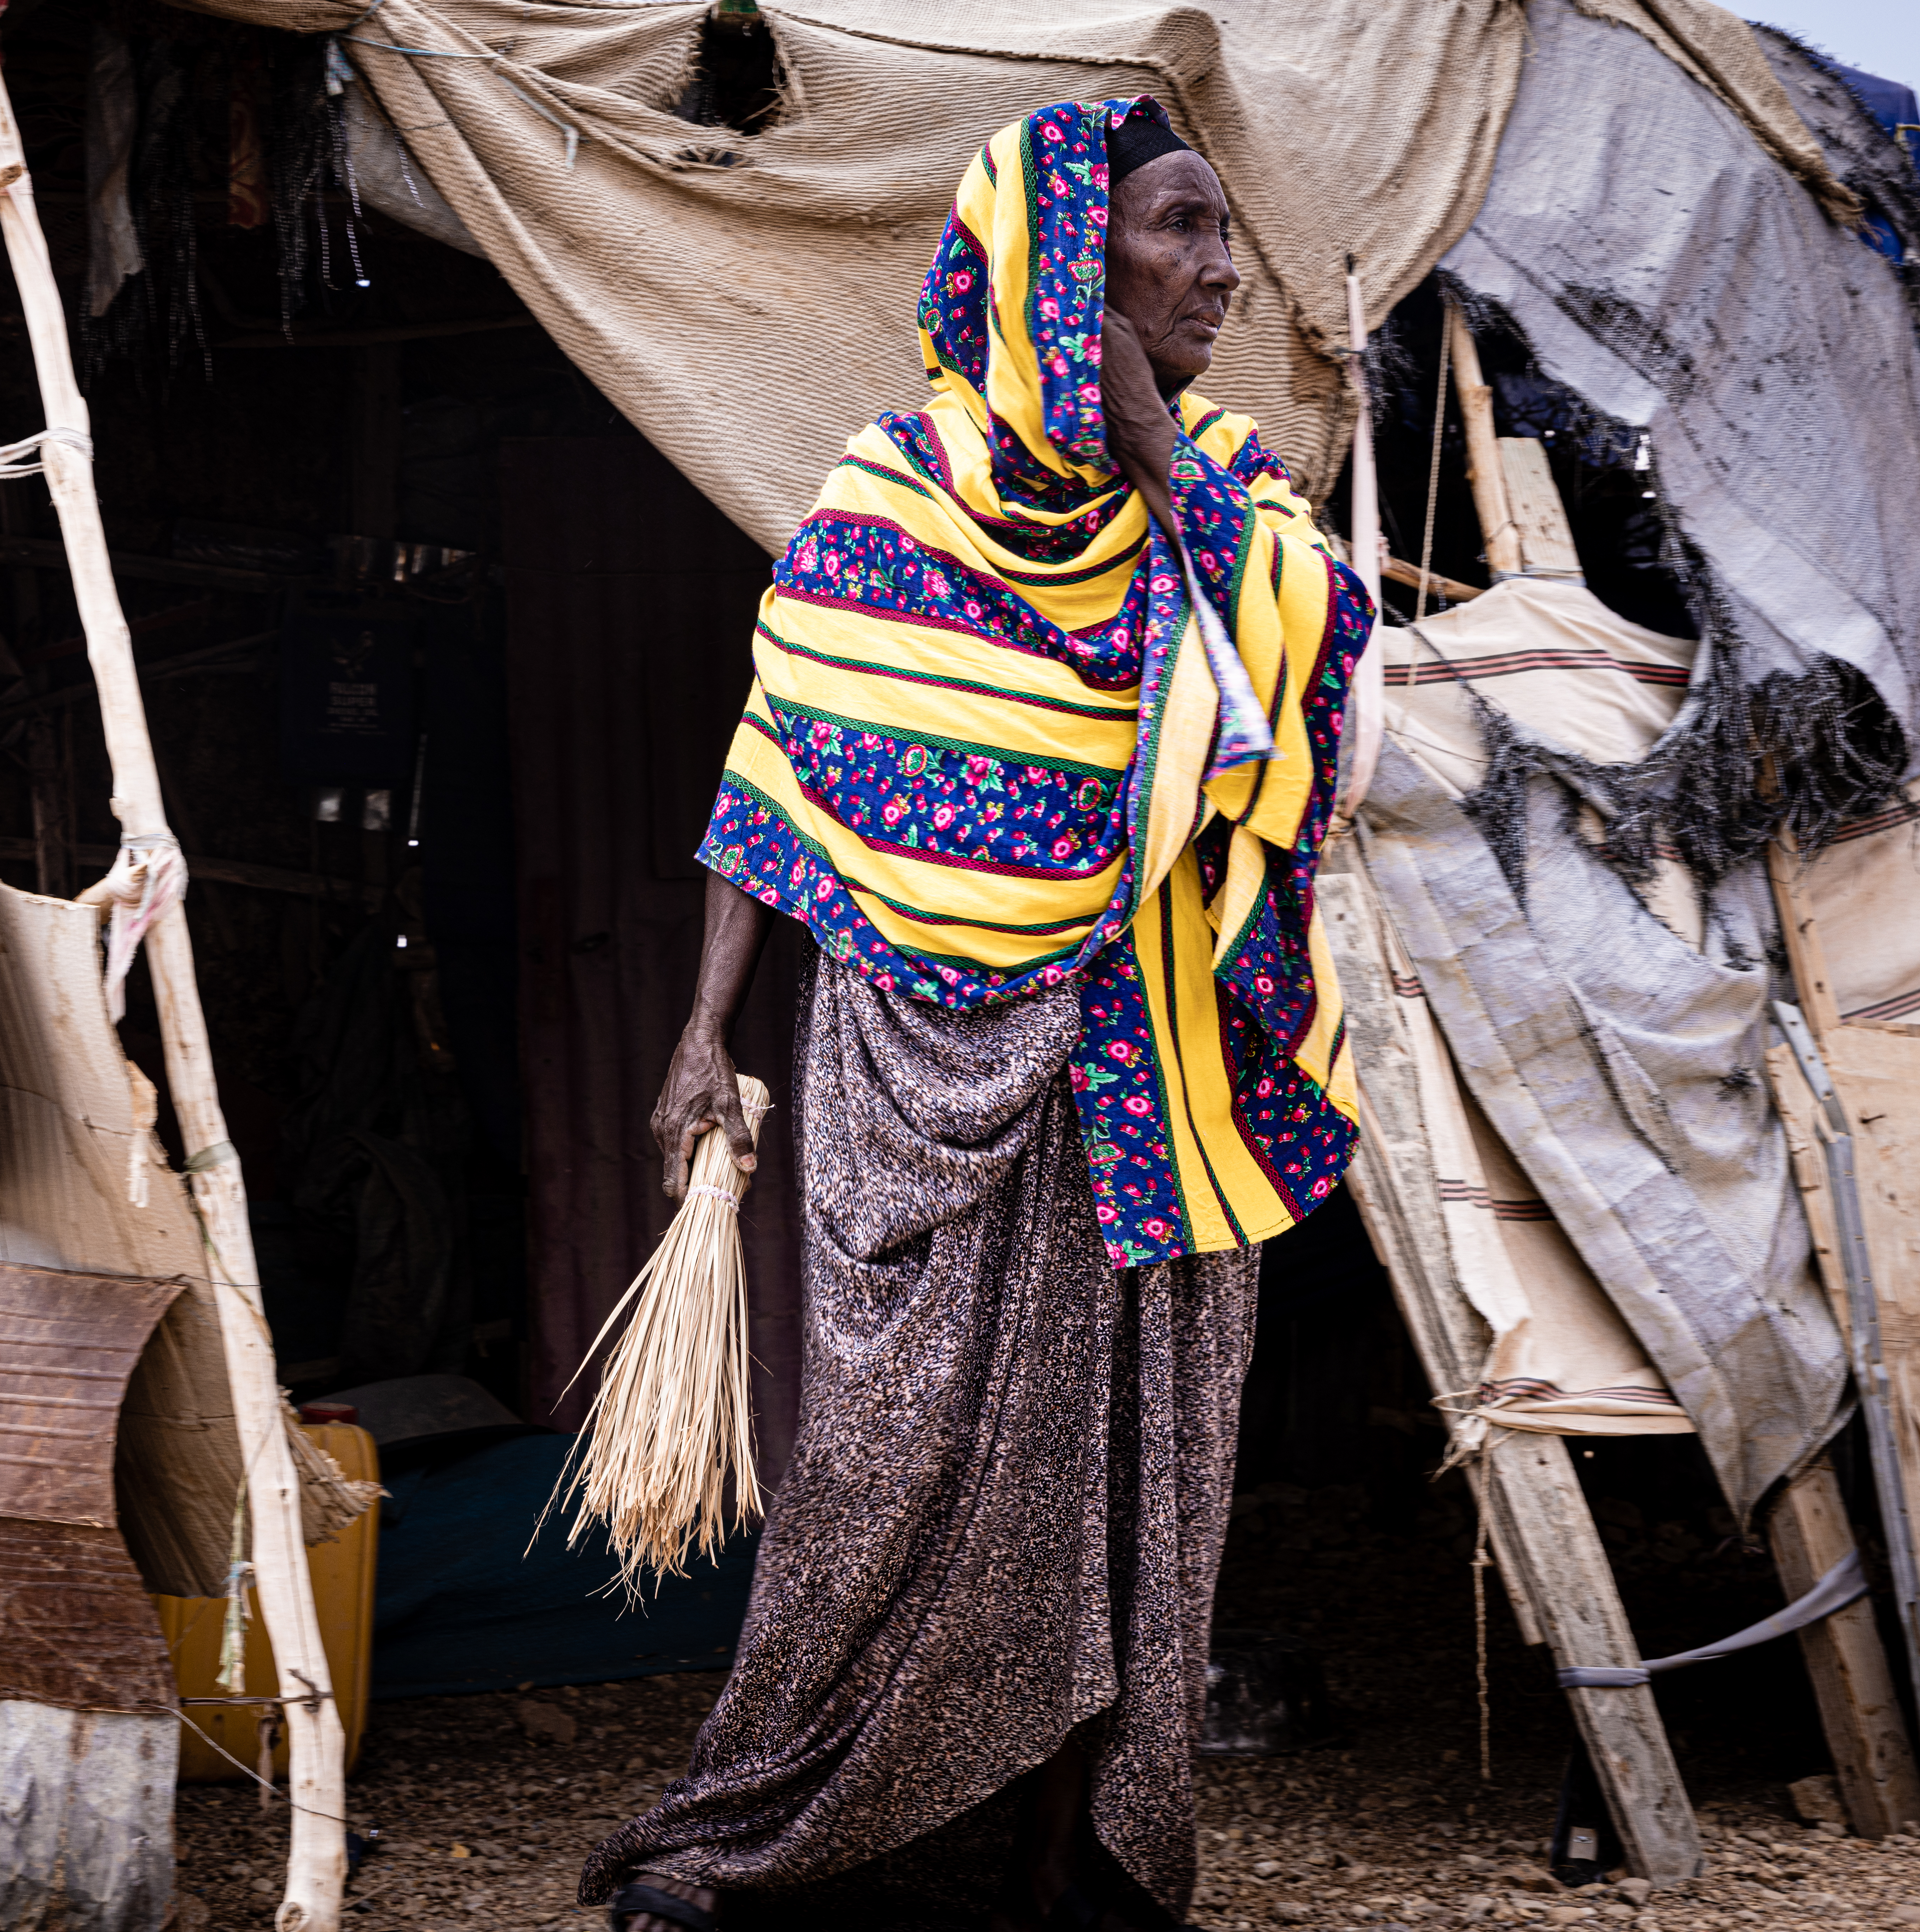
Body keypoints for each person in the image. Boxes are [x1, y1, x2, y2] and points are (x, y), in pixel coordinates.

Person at [581, 97, 1373, 1932]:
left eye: (1219, 233)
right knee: (889, 1465)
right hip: (911, 1063)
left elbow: (1303, 691)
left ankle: (1070, 1866)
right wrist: (708, 1031)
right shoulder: (888, 498)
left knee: (1126, 1480)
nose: (1219, 266)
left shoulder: (1230, 495)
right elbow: (781, 765)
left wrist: (1161, 453)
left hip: (1139, 1068)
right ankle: (772, 1842)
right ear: (1059, 268)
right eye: (1174, 230)